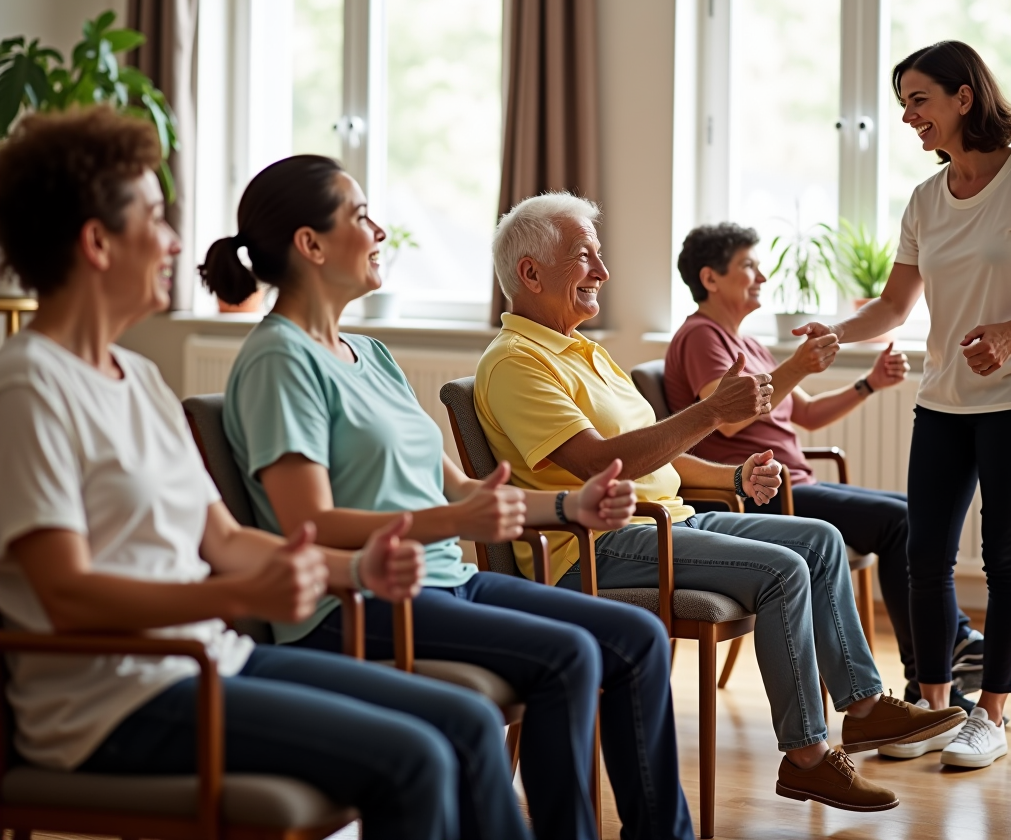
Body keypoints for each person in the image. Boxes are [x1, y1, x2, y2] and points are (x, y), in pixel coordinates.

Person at [0, 108, 542, 840]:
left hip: (206, 662)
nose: (173, 242)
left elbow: (224, 540)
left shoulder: (138, 377)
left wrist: (356, 570)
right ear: (97, 242)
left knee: (468, 722)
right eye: (156, 220)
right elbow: (66, 595)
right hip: (112, 706)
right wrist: (237, 593)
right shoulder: (29, 387)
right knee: (414, 757)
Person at [202, 154, 694, 840]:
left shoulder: (369, 355)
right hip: (353, 603)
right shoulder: (279, 361)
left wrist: (568, 507)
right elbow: (308, 523)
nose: (379, 233)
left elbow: (462, 490)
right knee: (569, 656)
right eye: (362, 216)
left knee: (637, 637)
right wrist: (453, 520)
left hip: (446, 581)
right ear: (310, 245)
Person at [475, 191, 967, 812]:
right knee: (783, 568)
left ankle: (864, 709)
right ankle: (808, 757)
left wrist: (730, 481)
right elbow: (596, 464)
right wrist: (710, 411)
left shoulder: (587, 352)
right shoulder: (516, 361)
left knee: (818, 538)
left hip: (665, 522)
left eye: (599, 256)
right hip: (596, 547)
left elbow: (657, 453)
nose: (602, 272)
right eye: (584, 257)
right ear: (530, 273)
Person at [795, 40, 1011, 770]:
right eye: (904, 101)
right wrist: (835, 331)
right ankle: (933, 710)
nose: (906, 115)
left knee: (1006, 561)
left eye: (918, 99)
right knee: (925, 556)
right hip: (943, 404)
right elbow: (895, 305)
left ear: (964, 98)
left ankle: (990, 714)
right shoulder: (926, 199)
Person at [663, 222, 983, 720]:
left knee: (906, 510)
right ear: (710, 278)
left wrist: (869, 385)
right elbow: (725, 421)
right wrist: (796, 366)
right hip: (754, 491)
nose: (761, 276)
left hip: (795, 483)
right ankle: (933, 669)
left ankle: (948, 651)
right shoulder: (701, 337)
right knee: (903, 523)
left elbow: (804, 414)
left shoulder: (746, 343)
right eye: (748, 265)